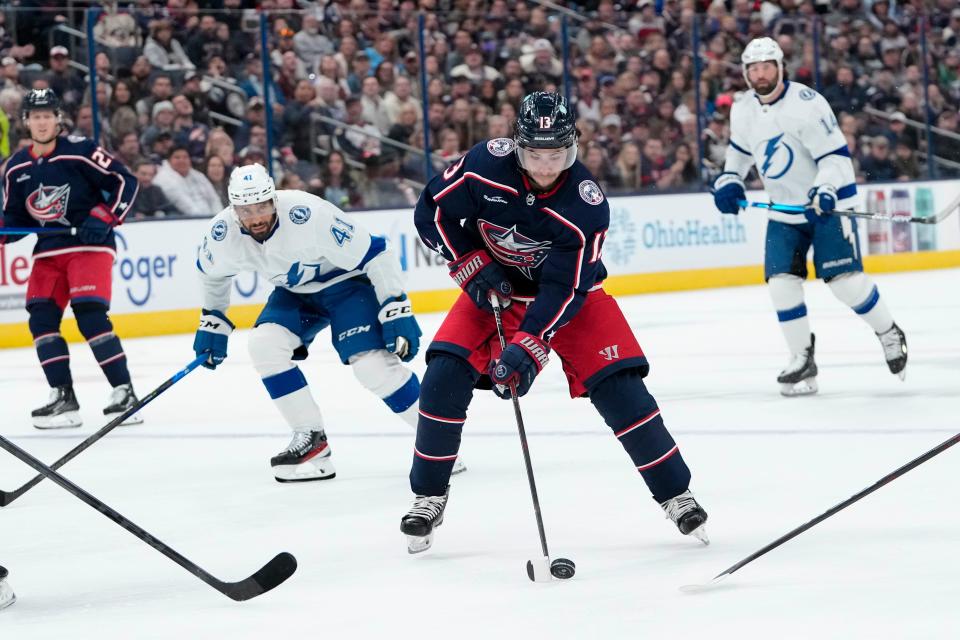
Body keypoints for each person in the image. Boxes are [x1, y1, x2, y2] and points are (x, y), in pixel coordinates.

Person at [399, 92, 708, 554]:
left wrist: (528, 346)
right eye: (535, 154)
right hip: (494, 292)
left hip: (569, 300)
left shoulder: (586, 206)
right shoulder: (483, 163)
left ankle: (676, 494)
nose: (546, 167)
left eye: (557, 154)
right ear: (517, 144)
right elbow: (432, 211)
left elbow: (565, 289)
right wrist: (468, 260)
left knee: (621, 391)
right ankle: (428, 495)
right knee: (442, 376)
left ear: (574, 148)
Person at [192, 164, 464, 482]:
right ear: (233, 208)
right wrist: (213, 319)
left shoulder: (308, 213)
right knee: (263, 345)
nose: (256, 217)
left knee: (373, 368)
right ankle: (311, 441)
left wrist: (395, 306)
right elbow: (211, 274)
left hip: (348, 286)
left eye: (262, 206)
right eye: (246, 209)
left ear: (273, 199)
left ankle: (438, 443)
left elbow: (375, 251)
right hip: (295, 294)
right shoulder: (222, 234)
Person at [712, 38, 907, 397]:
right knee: (780, 282)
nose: (761, 74)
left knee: (844, 282)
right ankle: (802, 358)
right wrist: (730, 179)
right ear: (745, 73)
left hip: (829, 204)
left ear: (780, 67)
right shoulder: (742, 109)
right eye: (754, 68)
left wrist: (826, 190)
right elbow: (739, 153)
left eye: (767, 66)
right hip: (784, 209)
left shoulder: (807, 104)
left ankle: (888, 332)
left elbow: (835, 158)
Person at [1, 88, 143, 428]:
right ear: (26, 122)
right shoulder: (15, 167)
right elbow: (16, 221)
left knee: (89, 314)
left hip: (89, 245)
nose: (42, 121)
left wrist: (107, 217)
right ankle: (63, 397)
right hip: (49, 251)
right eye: (36, 116)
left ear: (58, 119)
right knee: (41, 319)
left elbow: (126, 180)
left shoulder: (81, 151)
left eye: (48, 115)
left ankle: (124, 392)